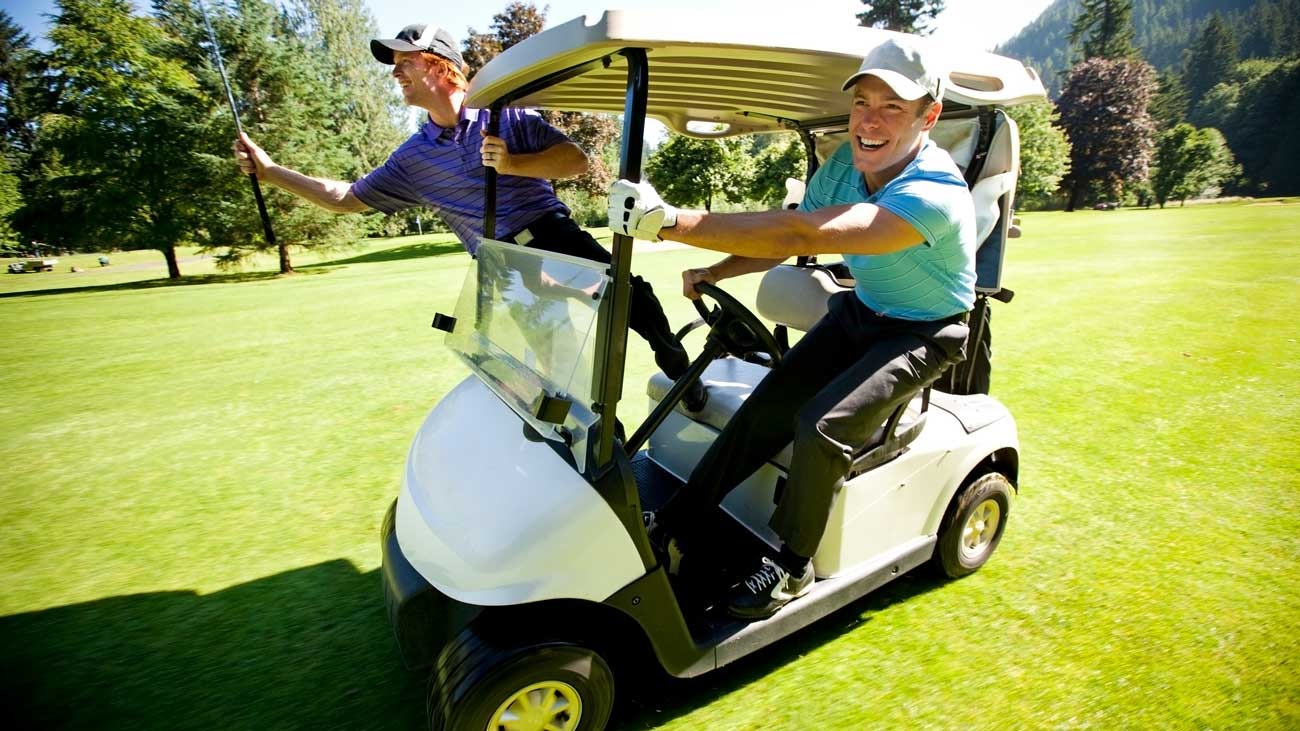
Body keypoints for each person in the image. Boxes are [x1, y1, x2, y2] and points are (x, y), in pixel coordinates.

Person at [608, 37, 976, 619]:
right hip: (863, 310)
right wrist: (716, 271)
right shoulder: (844, 166)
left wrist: (670, 222)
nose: (870, 121)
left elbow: (805, 236)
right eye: (863, 103)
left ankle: (792, 566)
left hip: (926, 330)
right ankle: (677, 520)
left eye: (893, 107)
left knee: (821, 426)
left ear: (928, 117)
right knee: (767, 406)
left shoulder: (933, 193)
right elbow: (790, 231)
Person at [233, 22, 704, 410]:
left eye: (405, 61)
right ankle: (603, 455)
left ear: (442, 66)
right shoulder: (413, 159)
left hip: (553, 236)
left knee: (634, 299)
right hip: (505, 268)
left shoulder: (507, 116)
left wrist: (513, 163)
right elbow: (346, 198)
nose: (396, 72)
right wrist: (272, 173)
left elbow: (574, 161)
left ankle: (680, 371)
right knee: (559, 371)